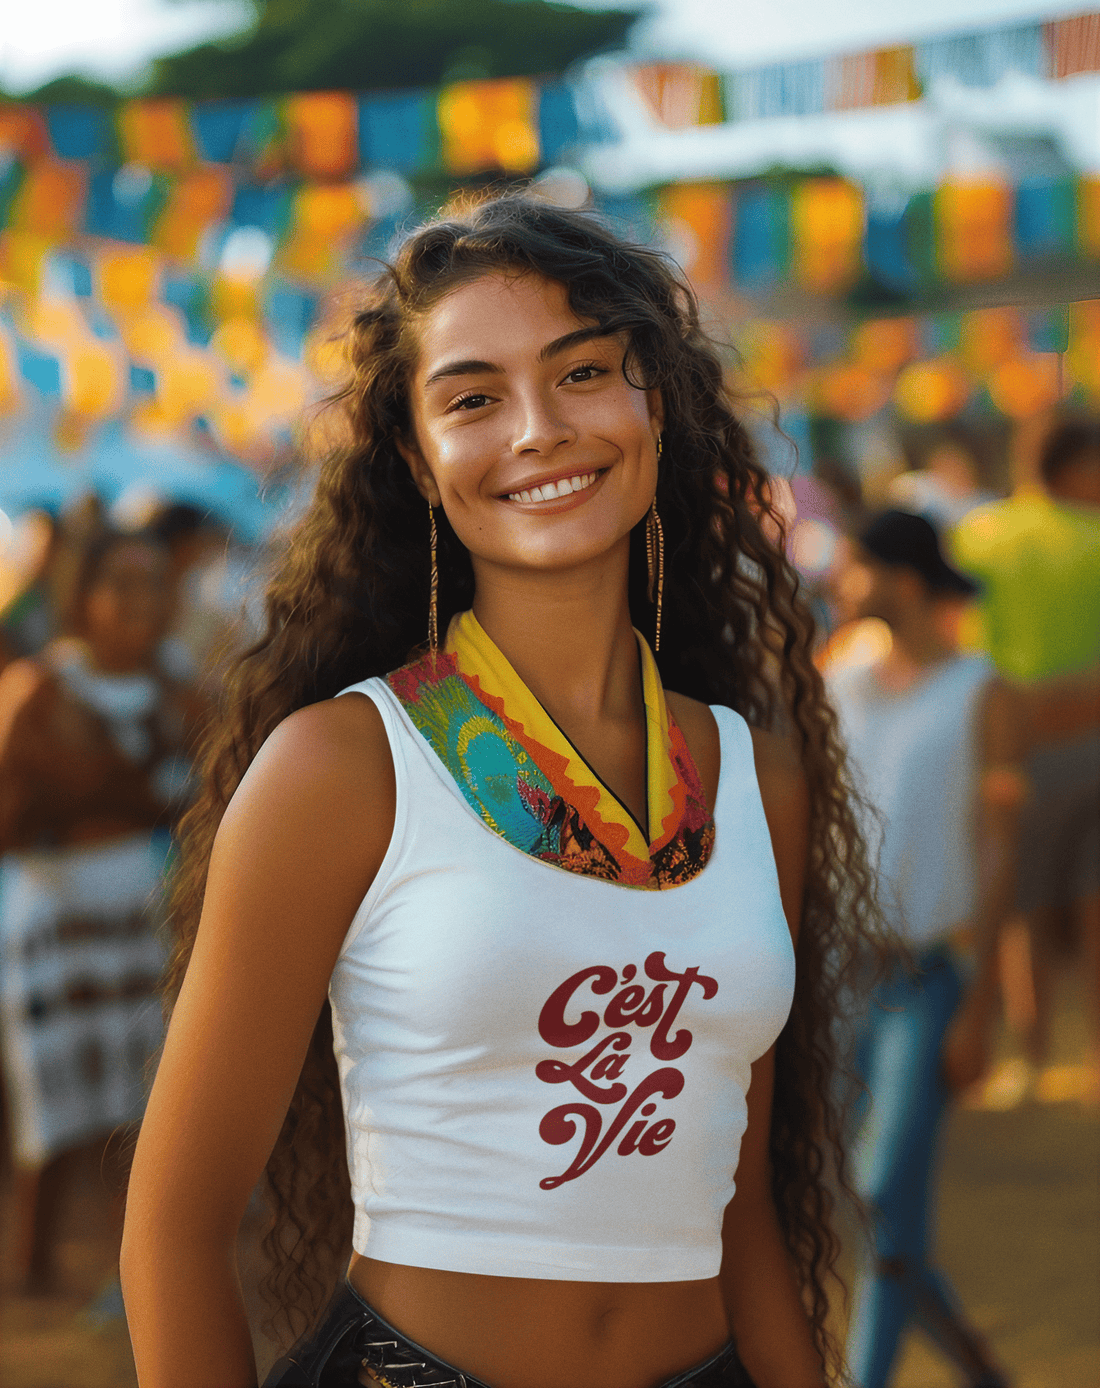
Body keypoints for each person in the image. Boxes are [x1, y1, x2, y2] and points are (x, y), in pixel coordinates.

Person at [121, 196, 879, 1388]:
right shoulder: (343, 768)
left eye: (582, 373)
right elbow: (173, 1229)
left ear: (654, 407)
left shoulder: (750, 772)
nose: (536, 429)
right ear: (422, 464)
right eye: (473, 396)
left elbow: (738, 1214)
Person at [827, 510, 1025, 1388]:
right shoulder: (842, 676)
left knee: (877, 1198)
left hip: (926, 981)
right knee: (871, 1211)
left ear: (903, 581)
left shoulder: (987, 691)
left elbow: (1000, 851)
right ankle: (979, 1367)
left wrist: (982, 1007)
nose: (839, 579)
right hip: (836, 977)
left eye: (857, 565)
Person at [0, 525, 203, 1292]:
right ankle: (34, 1266)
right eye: (119, 582)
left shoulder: (183, 690)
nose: (139, 599)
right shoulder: (39, 689)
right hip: (55, 912)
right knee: (49, 1087)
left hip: (145, 912)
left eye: (153, 581)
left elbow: (212, 798)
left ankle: (134, 1268)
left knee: (144, 1097)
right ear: (79, 596)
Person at [951, 416, 1100, 1103]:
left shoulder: (980, 535)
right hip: (1090, 741)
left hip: (1010, 747)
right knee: (1092, 902)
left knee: (1021, 905)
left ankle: (1031, 1057)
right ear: (1074, 466)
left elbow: (959, 638)